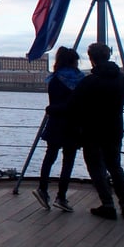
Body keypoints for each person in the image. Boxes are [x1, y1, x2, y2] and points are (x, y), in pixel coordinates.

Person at [71, 42, 124, 220]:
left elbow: (75, 105)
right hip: (115, 128)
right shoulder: (120, 79)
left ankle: (107, 204)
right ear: (108, 55)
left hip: (93, 131)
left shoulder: (90, 81)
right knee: (115, 166)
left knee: (96, 167)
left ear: (91, 59)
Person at [32, 46, 85, 212]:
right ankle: (61, 197)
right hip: (74, 124)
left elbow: (53, 101)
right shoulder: (81, 80)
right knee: (68, 161)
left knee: (50, 156)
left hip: (56, 122)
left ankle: (43, 189)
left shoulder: (55, 79)